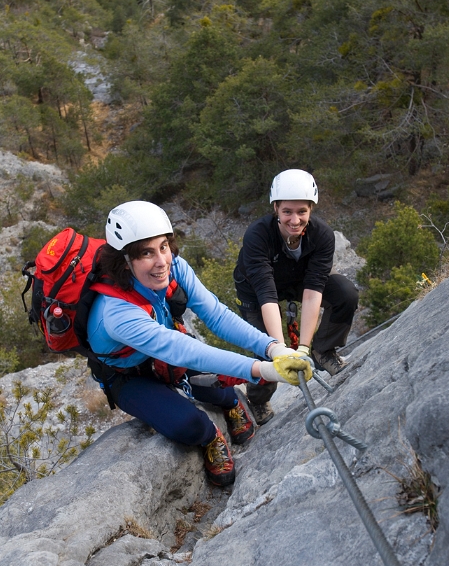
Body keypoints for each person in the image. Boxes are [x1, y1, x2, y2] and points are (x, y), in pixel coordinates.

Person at [87, 200, 312, 487]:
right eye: (146, 253)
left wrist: (273, 348)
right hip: (128, 375)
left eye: (163, 247)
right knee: (188, 425)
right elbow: (183, 351)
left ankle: (232, 402)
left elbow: (216, 316)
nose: (161, 262)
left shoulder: (175, 269)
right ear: (125, 261)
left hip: (168, 353)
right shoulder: (116, 311)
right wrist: (263, 370)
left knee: (222, 392)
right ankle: (211, 437)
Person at [234, 169, 359, 426]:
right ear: (276, 208)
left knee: (345, 294)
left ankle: (323, 352)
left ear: (311, 210)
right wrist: (280, 351)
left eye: (302, 211)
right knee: (263, 345)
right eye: (287, 212)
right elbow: (266, 295)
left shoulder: (321, 235)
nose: (295, 219)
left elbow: (314, 291)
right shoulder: (258, 235)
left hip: (299, 278)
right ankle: (258, 399)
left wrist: (303, 347)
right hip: (256, 289)